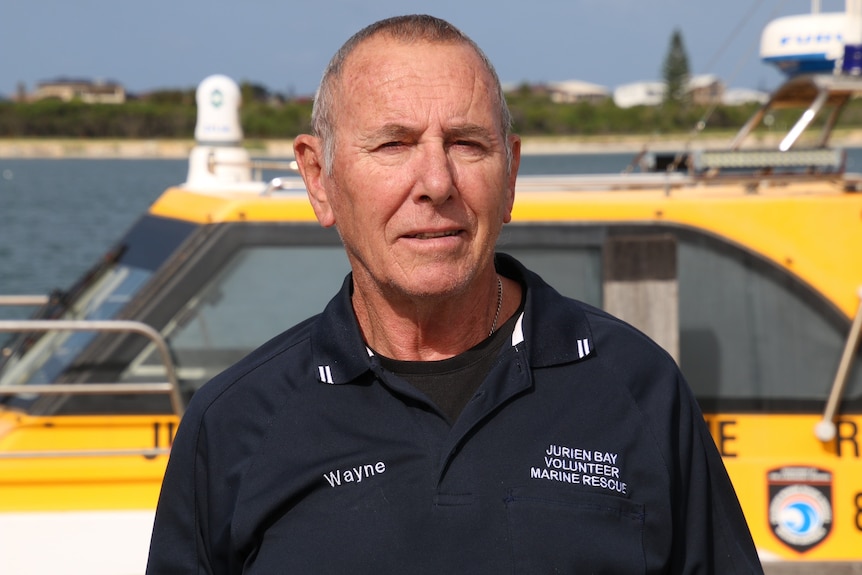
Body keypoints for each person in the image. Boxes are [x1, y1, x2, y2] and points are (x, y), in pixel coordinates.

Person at [146, 14, 763, 574]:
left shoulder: (639, 388)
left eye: (467, 145)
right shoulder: (234, 423)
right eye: (393, 144)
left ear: (512, 174)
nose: (436, 183)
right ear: (319, 178)